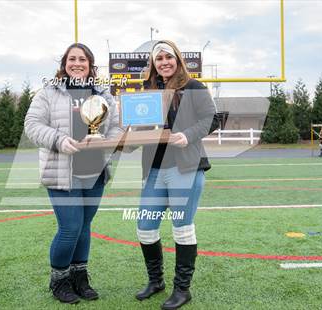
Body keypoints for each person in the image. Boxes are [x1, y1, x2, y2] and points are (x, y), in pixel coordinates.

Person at [25, 43, 122, 304]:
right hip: (61, 171)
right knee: (70, 228)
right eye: (72, 59)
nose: (77, 63)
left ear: (91, 65)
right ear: (64, 64)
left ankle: (80, 277)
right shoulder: (48, 92)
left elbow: (115, 127)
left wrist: (106, 144)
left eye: (83, 59)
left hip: (94, 171)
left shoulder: (102, 92)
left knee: (84, 227)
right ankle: (59, 281)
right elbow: (32, 125)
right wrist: (58, 140)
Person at [135, 40, 216, 309]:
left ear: (177, 59)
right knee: (145, 227)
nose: (164, 62)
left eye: (168, 57)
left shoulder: (194, 87)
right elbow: (140, 129)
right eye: (159, 59)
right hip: (155, 168)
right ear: (153, 64)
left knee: (181, 228)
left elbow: (211, 119)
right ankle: (156, 281)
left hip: (186, 167)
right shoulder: (147, 90)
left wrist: (188, 135)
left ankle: (183, 289)